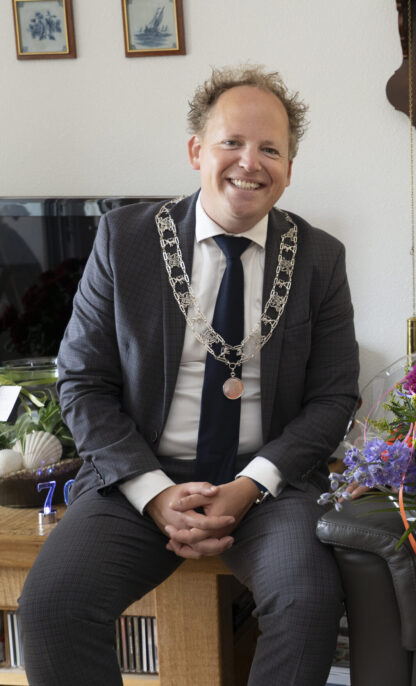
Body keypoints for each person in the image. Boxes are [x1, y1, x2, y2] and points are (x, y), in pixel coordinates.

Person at [17, 65, 359, 685]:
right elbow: (82, 382)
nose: (249, 162)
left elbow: (333, 398)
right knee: (52, 607)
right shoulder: (125, 241)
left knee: (308, 603)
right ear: (197, 150)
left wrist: (250, 485)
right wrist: (153, 492)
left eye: (271, 148)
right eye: (232, 142)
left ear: (289, 165)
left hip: (266, 487)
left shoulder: (319, 259)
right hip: (136, 477)